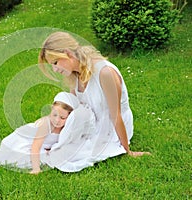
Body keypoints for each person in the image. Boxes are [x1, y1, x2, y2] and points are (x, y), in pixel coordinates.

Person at [38, 31, 151, 161]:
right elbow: (73, 108)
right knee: (42, 139)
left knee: (70, 156)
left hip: (111, 127)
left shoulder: (105, 73)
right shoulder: (73, 74)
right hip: (92, 121)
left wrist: (127, 150)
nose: (55, 69)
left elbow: (116, 114)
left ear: (68, 53)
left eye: (55, 62)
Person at [0, 92, 82, 174]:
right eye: (54, 115)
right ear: (51, 110)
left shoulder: (66, 128)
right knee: (22, 158)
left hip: (40, 146)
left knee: (44, 158)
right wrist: (36, 169)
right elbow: (36, 146)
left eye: (63, 117)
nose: (57, 120)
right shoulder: (46, 124)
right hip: (26, 141)